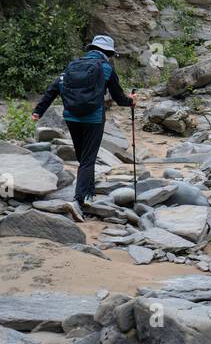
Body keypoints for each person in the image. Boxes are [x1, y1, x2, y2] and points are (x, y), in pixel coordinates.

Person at [32, 34, 135, 217]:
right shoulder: (106, 68)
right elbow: (119, 98)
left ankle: (89, 192)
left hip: (71, 117)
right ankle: (79, 200)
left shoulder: (73, 65)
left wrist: (38, 111)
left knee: (83, 158)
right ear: (108, 53)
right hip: (93, 119)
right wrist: (131, 102)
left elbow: (55, 87)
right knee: (88, 160)